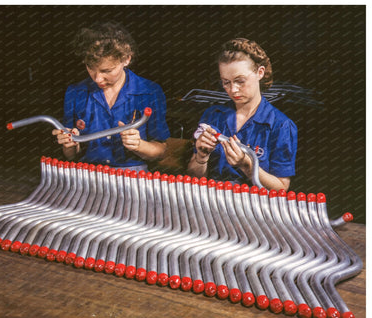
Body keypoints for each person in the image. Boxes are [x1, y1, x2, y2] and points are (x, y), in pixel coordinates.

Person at [53, 22, 170, 171]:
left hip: (132, 176)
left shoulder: (150, 92)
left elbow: (161, 152)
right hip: (87, 172)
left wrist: (139, 146)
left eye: (106, 70)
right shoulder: (75, 93)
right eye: (90, 68)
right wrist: (69, 144)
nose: (97, 79)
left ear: (126, 58)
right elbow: (71, 156)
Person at [187, 38, 297, 191]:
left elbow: (281, 189)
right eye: (226, 82)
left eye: (240, 81)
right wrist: (201, 157)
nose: (233, 90)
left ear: (260, 72)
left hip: (253, 208)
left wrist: (247, 165)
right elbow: (194, 178)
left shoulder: (281, 125)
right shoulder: (213, 115)